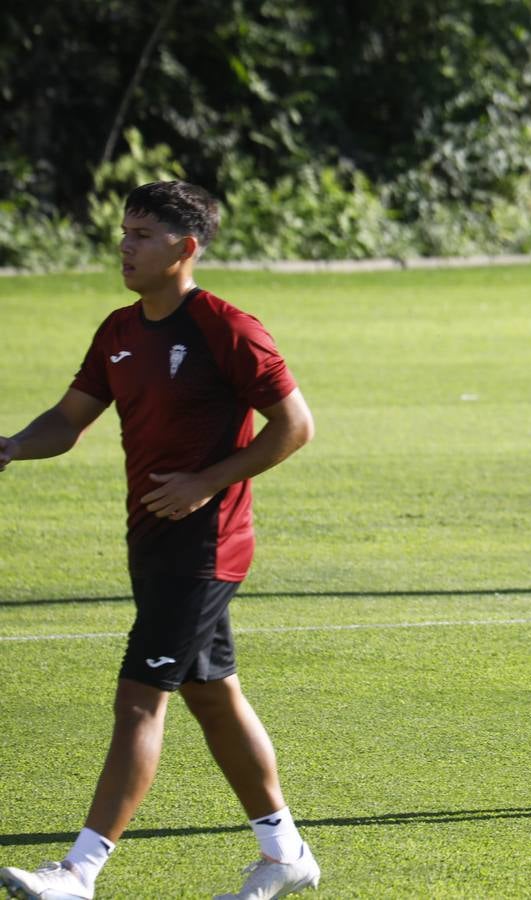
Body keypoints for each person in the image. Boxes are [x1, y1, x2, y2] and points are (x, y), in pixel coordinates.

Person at [0, 181, 320, 899]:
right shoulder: (118, 331)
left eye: (142, 235)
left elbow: (295, 426)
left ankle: (79, 872)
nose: (125, 246)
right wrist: (14, 444)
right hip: (151, 543)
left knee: (140, 699)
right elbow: (71, 416)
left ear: (186, 248)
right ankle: (285, 852)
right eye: (123, 232)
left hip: (205, 548)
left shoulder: (227, 328)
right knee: (213, 695)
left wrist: (207, 481)